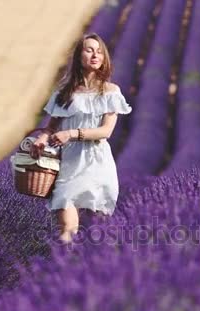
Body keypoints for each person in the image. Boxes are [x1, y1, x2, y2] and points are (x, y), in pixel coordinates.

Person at [29, 32, 132, 244]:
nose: (95, 55)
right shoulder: (64, 93)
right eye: (89, 50)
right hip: (68, 164)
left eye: (99, 51)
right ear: (78, 56)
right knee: (67, 229)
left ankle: (94, 272)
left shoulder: (111, 92)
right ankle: (64, 268)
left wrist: (72, 134)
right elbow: (50, 128)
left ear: (104, 59)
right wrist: (41, 139)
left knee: (99, 228)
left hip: (97, 162)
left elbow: (106, 132)